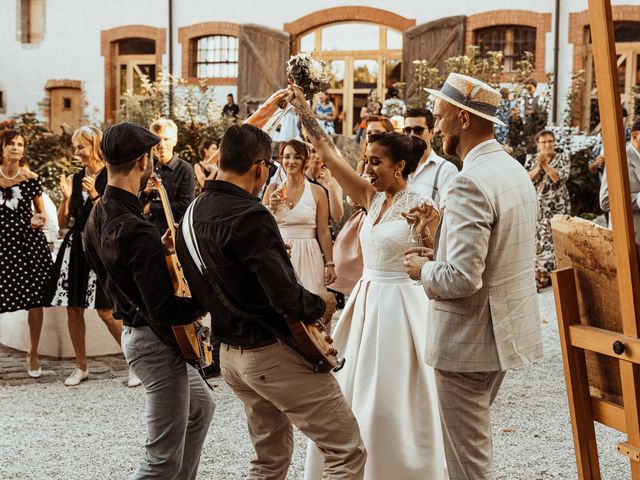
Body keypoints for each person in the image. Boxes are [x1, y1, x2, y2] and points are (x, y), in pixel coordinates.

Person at [175, 122, 366, 479]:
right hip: (272, 352)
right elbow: (288, 299)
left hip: (231, 356)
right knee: (345, 450)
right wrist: (324, 302)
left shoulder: (190, 213)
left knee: (269, 459)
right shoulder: (251, 214)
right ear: (260, 167)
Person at [290, 85, 446, 479]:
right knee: (350, 392)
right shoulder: (369, 197)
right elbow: (326, 152)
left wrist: (425, 237)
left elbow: (437, 257)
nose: (366, 168)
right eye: (365, 160)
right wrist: (304, 109)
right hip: (366, 304)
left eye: (375, 161)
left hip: (403, 308)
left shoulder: (424, 206)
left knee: (392, 397)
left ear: (399, 167)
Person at [404, 72, 543, 480]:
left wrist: (422, 268)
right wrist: (438, 236)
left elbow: (463, 279)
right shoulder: (512, 169)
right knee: (471, 451)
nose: (437, 123)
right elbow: (495, 255)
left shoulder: (468, 181)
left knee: (467, 463)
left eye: (441, 114)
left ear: (463, 119)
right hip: (500, 334)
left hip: (467, 343)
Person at [83, 122, 213, 479]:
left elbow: (118, 273)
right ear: (143, 161)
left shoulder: (97, 215)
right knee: (161, 459)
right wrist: (211, 296)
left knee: (201, 408)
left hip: (143, 336)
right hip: (154, 342)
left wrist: (161, 252)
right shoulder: (134, 227)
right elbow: (165, 310)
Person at [46, 126, 138, 387]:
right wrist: (65, 199)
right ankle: (80, 366)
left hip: (101, 249)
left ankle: (135, 364)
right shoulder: (76, 179)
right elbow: (64, 221)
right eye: (75, 147)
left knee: (107, 312)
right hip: (76, 247)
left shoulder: (111, 176)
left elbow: (115, 215)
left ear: (95, 146)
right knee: (73, 310)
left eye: (80, 147)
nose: (76, 152)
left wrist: (96, 197)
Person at [0, 129, 53, 378]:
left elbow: (41, 213)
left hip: (28, 246)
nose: (15, 148)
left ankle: (33, 352)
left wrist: (37, 218)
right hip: (2, 247)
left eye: (20, 144)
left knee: (35, 300)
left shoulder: (31, 178)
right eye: (11, 143)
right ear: (2, 148)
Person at [263, 140, 336, 296]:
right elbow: (261, 228)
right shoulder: (272, 189)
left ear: (305, 161)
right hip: (279, 253)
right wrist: (271, 207)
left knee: (313, 301)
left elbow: (323, 231)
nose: (291, 161)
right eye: (287, 157)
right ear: (281, 160)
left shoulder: (318, 192)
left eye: (297, 157)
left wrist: (329, 264)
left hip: (309, 253)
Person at [524, 129, 571, 290]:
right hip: (539, 206)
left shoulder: (563, 157)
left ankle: (551, 274)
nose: (547, 145)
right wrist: (539, 166)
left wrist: (545, 164)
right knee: (540, 240)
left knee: (557, 239)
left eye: (550, 141)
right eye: (543, 142)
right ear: (538, 144)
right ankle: (541, 274)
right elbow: (525, 178)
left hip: (558, 205)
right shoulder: (531, 158)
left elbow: (558, 177)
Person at [140, 118, 195, 235]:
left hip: (170, 234)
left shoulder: (185, 169)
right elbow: (135, 204)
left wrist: (152, 207)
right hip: (145, 231)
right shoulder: (145, 167)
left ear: (175, 141)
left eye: (166, 139)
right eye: (157, 140)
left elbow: (186, 206)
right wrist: (144, 192)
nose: (161, 145)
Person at [404, 108, 458, 207]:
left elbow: (449, 213)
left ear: (432, 132)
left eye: (418, 130)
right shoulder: (397, 167)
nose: (412, 135)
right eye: (407, 130)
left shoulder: (446, 170)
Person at [600, 116, 640, 243]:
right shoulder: (619, 159)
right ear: (635, 136)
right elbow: (606, 200)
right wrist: (638, 200)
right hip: (629, 242)